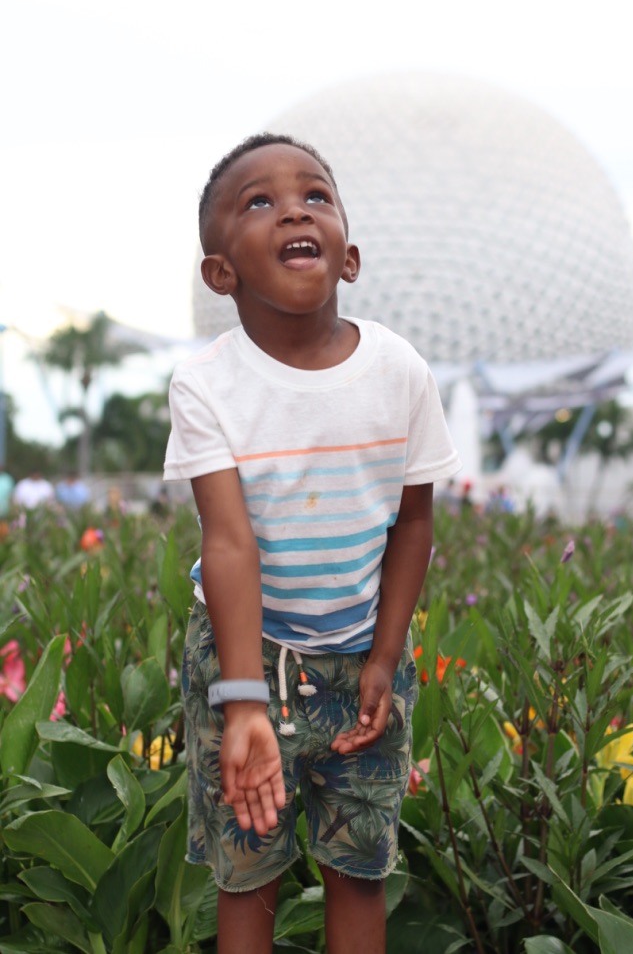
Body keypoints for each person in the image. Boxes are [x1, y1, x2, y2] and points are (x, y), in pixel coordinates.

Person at [163, 133, 460, 954]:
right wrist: (244, 698)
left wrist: (384, 657)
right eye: (259, 201)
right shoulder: (207, 385)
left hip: (365, 651)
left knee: (359, 868)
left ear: (350, 257)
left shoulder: (399, 371)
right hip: (246, 655)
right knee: (247, 865)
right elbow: (228, 545)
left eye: (315, 195)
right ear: (221, 274)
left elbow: (414, 523)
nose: (294, 207)